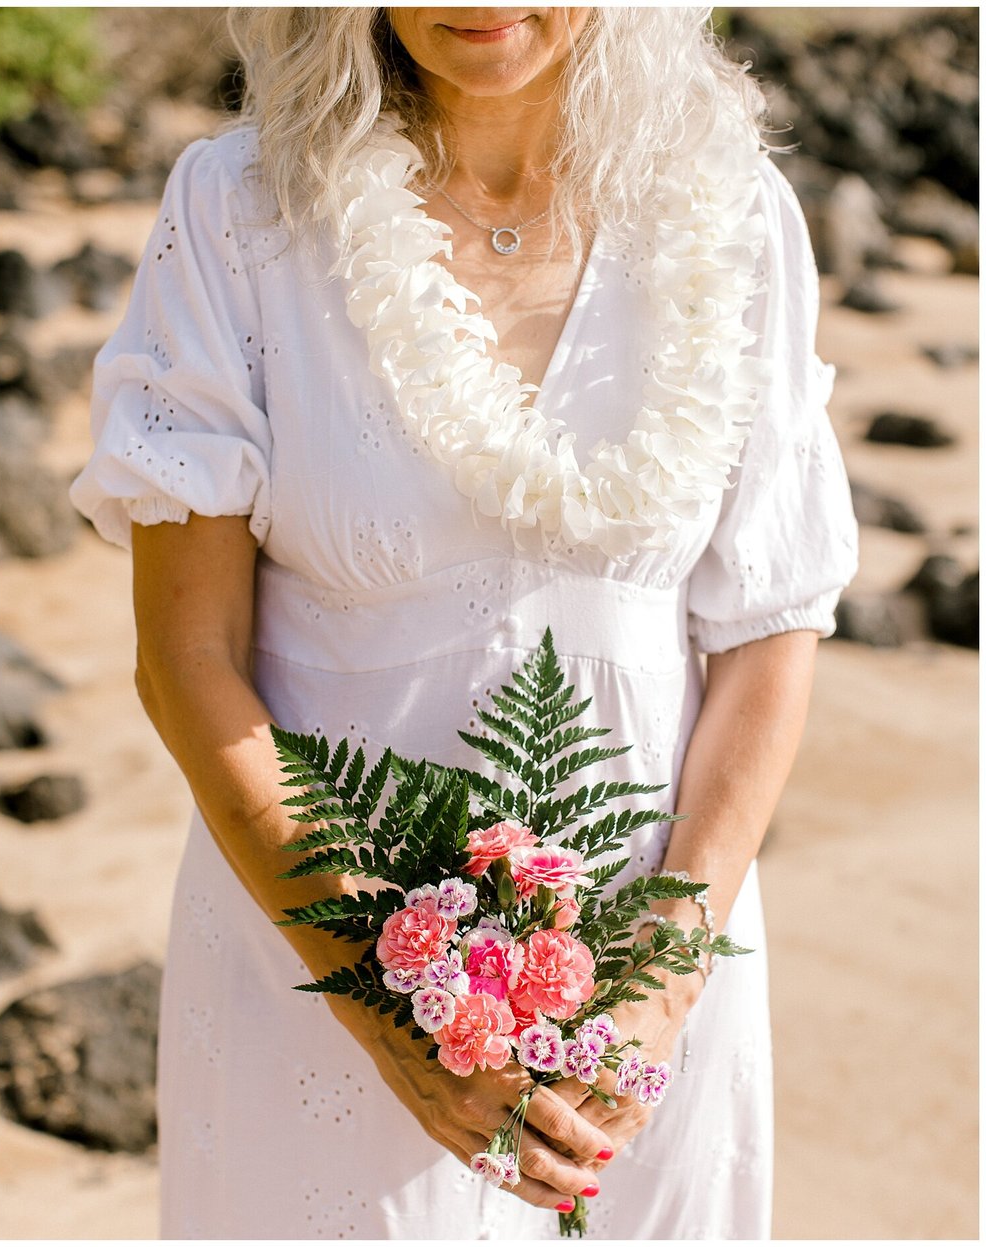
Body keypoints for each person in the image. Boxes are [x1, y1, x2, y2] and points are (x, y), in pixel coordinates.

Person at [70, 7, 858, 1239]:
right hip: (312, 959)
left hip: (645, 992)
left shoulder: (731, 211)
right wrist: (380, 999)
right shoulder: (239, 210)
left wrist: (665, 973)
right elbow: (187, 658)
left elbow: (769, 626)